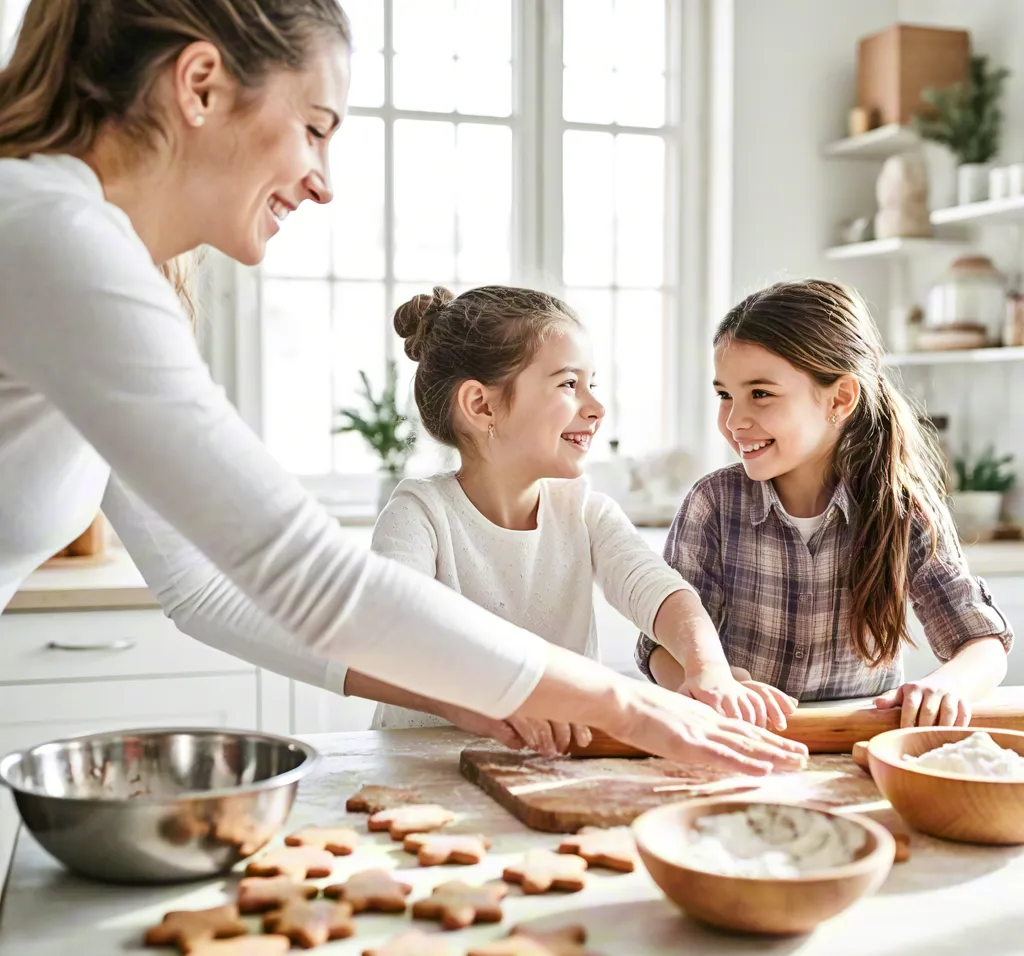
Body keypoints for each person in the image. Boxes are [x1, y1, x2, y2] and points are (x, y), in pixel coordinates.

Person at [0, 0, 806, 775]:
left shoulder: (74, 243)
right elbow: (302, 572)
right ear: (200, 84)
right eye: (315, 128)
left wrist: (476, 700)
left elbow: (203, 588)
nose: (322, 183)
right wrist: (626, 707)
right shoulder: (57, 237)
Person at [350, 285, 797, 757]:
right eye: (568, 384)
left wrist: (708, 671)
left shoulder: (584, 511)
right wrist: (493, 691)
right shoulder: (419, 514)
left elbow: (659, 591)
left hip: (548, 766)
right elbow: (387, 635)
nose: (596, 407)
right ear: (481, 405)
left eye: (592, 384)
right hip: (422, 765)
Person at [637, 279, 1013, 728]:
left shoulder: (902, 507)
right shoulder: (713, 504)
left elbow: (982, 643)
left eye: (760, 393)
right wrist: (708, 682)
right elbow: (661, 647)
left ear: (840, 398)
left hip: (853, 744)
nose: (735, 421)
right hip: (739, 738)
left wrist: (949, 685)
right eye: (724, 395)